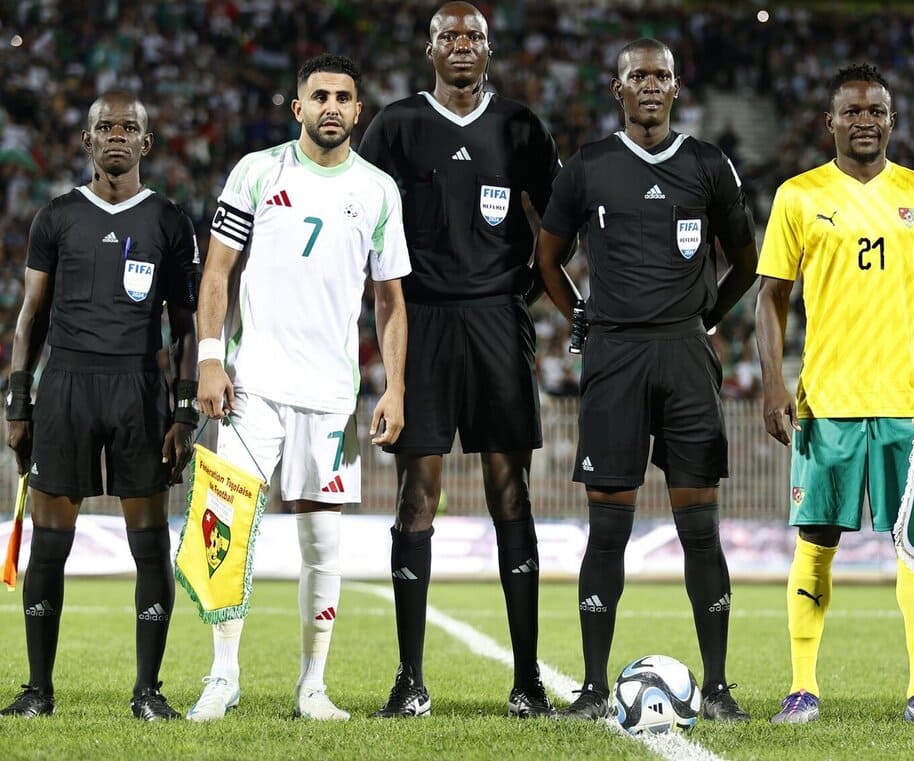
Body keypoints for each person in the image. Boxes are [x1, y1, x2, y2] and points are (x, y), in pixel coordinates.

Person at [535, 37, 759, 723]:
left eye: (662, 75)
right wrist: (583, 318)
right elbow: (547, 259)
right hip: (615, 360)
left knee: (701, 527)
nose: (652, 86)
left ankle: (718, 686)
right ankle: (594, 686)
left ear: (677, 86)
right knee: (608, 529)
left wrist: (704, 321)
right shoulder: (588, 167)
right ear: (618, 88)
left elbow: (746, 262)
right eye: (640, 76)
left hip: (685, 359)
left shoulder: (708, 164)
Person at [755, 63, 914, 726]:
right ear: (829, 122)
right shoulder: (798, 196)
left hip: (908, 403)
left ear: (891, 119)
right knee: (816, 541)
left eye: (876, 111)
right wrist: (773, 378)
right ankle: (801, 687)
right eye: (852, 112)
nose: (864, 121)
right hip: (825, 403)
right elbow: (771, 295)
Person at [189, 53, 410, 722]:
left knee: (324, 542)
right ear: (298, 107)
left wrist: (395, 386)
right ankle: (222, 673)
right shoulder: (258, 173)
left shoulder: (377, 190)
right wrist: (208, 357)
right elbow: (218, 273)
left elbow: (392, 301)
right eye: (320, 95)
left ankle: (312, 684)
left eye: (344, 95)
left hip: (332, 398)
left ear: (358, 110)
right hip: (252, 385)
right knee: (224, 526)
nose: (332, 106)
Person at [357, 2, 559, 719]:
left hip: (497, 327)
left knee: (512, 494)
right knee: (419, 494)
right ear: (430, 49)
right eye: (450, 36)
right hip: (422, 322)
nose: (463, 45)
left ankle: (528, 680)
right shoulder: (395, 126)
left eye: (473, 35)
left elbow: (555, 225)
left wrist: (522, 296)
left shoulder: (521, 127)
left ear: (489, 48)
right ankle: (410, 679)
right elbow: (360, 215)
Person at [2, 91, 200, 720]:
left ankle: (148, 691)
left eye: (130, 126)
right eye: (104, 126)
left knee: (148, 545)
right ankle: (38, 690)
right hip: (65, 389)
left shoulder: (169, 220)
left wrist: (185, 408)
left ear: (147, 142)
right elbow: (30, 316)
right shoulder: (55, 216)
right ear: (86, 141)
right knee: (50, 544)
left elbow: (187, 325)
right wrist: (17, 398)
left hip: (140, 389)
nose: (117, 134)